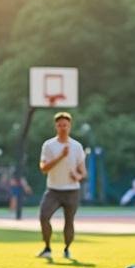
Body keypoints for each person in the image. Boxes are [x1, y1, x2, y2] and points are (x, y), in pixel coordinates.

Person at [37, 111, 87, 259]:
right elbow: (43, 169)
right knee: (44, 217)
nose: (63, 128)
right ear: (56, 127)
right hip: (53, 190)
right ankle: (47, 248)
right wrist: (60, 156)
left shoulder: (77, 146)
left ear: (70, 126)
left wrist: (78, 176)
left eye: (65, 125)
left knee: (69, 222)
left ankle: (67, 249)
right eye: (60, 125)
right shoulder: (49, 145)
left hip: (72, 191)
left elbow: (83, 172)